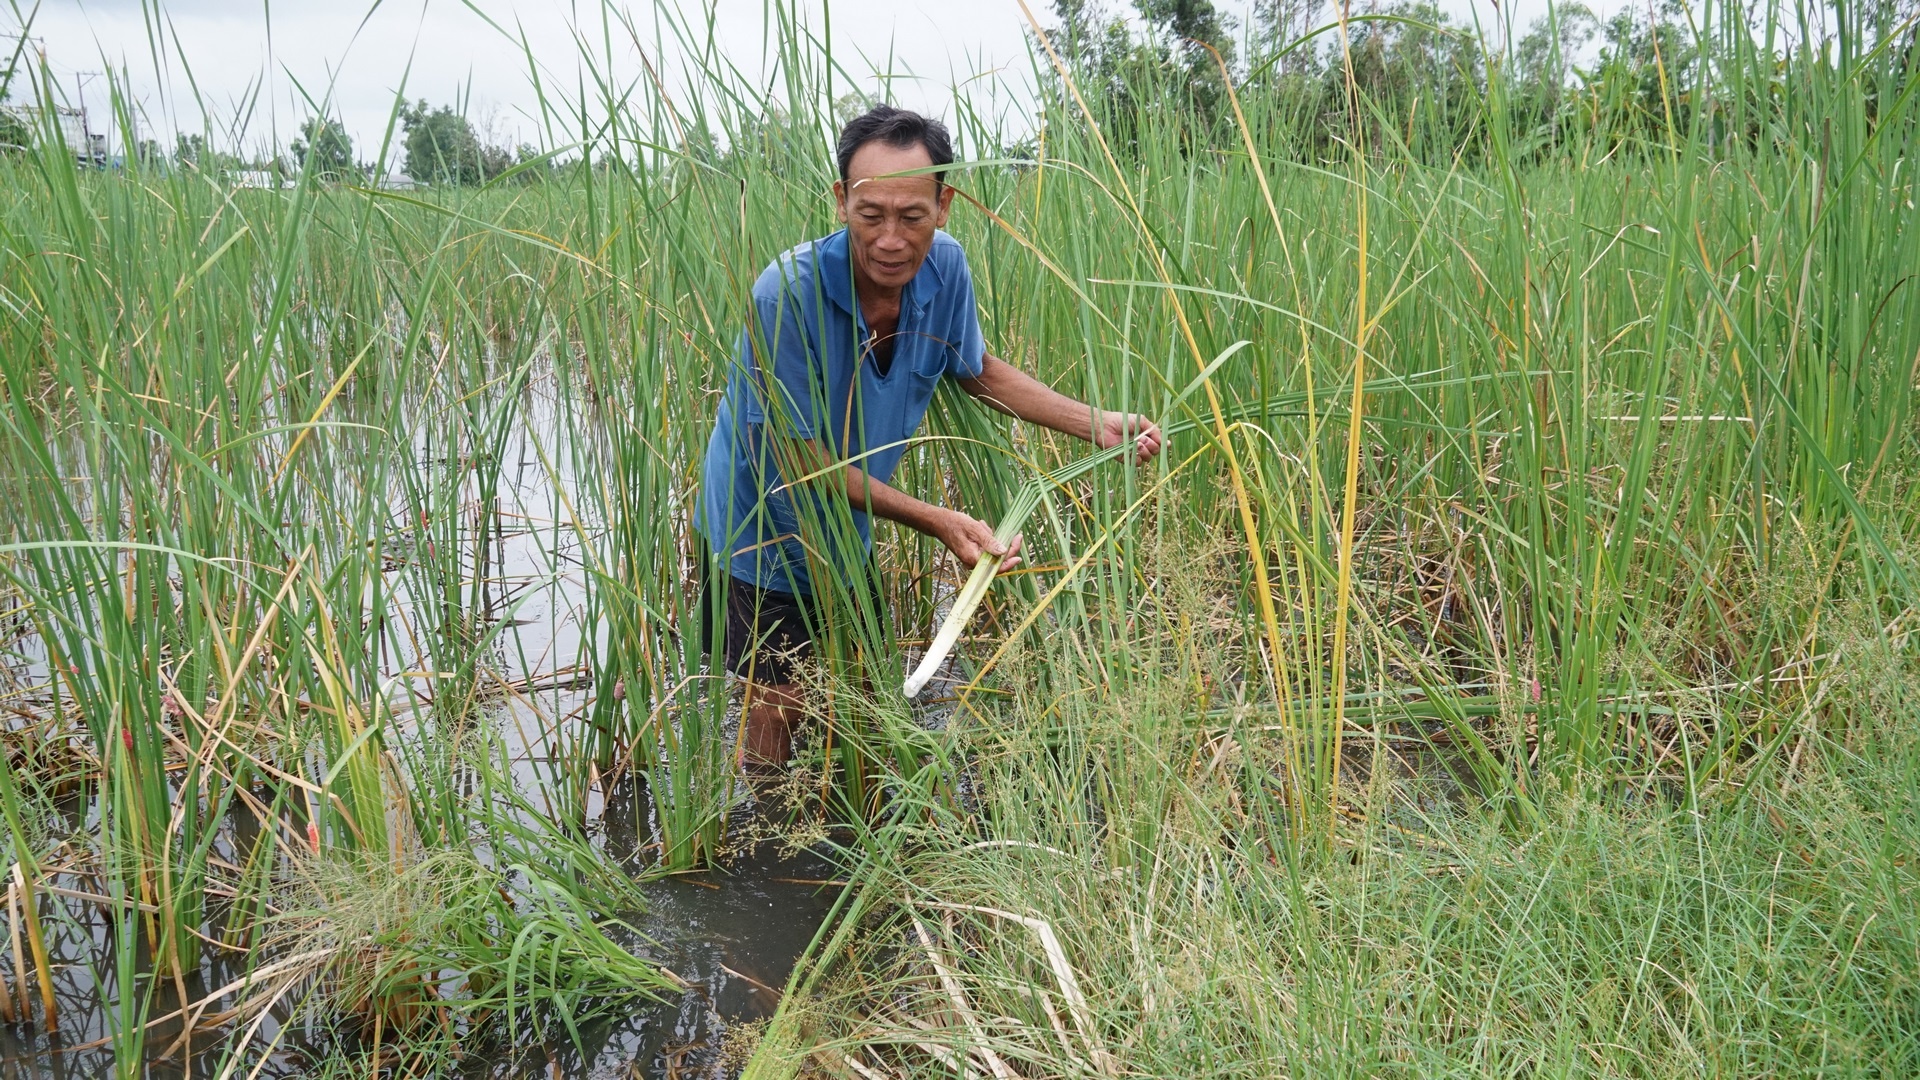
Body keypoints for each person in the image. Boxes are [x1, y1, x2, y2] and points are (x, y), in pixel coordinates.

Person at [698, 104, 1163, 771]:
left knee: (859, 683)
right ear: (841, 202)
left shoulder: (945, 270)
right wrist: (936, 518)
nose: (891, 239)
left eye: (912, 217)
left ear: (943, 206)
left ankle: (851, 807)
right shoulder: (787, 296)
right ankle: (771, 840)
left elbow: (973, 368)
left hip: (846, 520)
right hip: (762, 524)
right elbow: (801, 464)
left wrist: (1095, 423)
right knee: (777, 701)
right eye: (871, 215)